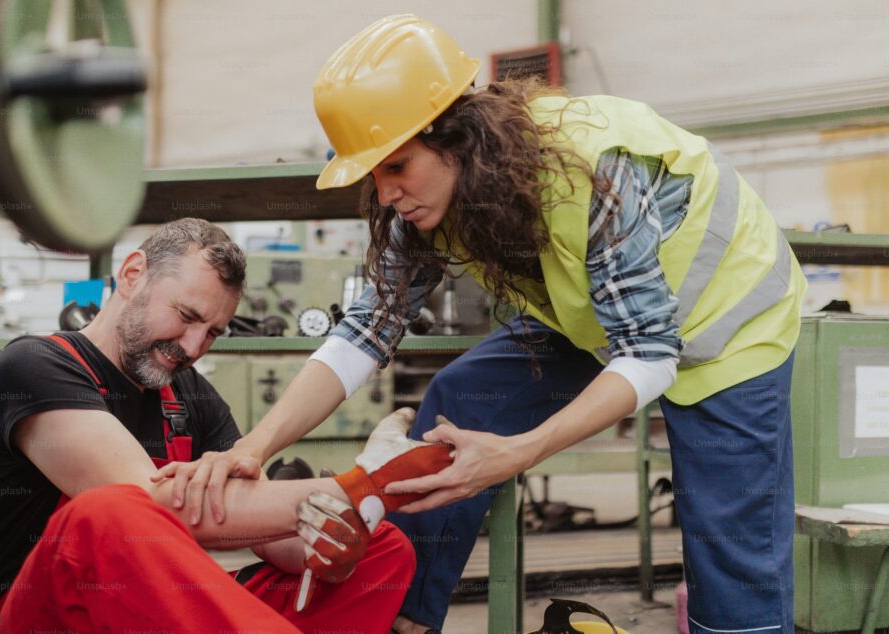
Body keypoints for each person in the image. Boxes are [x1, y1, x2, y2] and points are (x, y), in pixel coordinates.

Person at [160, 15, 805, 634]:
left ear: (455, 138)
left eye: (395, 165)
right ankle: (405, 614)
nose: (385, 193)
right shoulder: (428, 200)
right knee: (461, 400)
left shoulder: (592, 167)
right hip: (590, 315)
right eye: (373, 174)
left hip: (729, 324)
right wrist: (255, 447)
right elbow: (365, 332)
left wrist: (518, 453)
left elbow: (649, 354)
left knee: (727, 536)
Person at [0, 218, 453, 634]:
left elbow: (263, 532)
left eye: (212, 332)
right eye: (186, 316)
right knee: (105, 516)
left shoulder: (188, 395)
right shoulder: (34, 367)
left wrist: (326, 540)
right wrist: (359, 486)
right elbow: (148, 506)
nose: (192, 348)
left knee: (383, 549)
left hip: (133, 612)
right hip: (30, 619)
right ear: (131, 274)